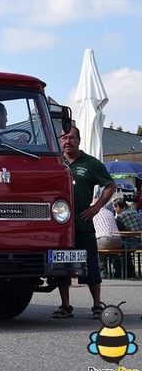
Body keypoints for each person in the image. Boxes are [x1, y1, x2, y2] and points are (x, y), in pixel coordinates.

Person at [51, 126, 116, 320]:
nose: (67, 141)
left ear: (79, 140)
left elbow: (110, 185)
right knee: (61, 266)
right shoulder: (56, 162)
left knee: (91, 267)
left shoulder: (91, 163)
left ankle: (97, 305)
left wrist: (96, 207)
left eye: (71, 138)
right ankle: (65, 305)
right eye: (63, 138)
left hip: (83, 224)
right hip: (60, 227)